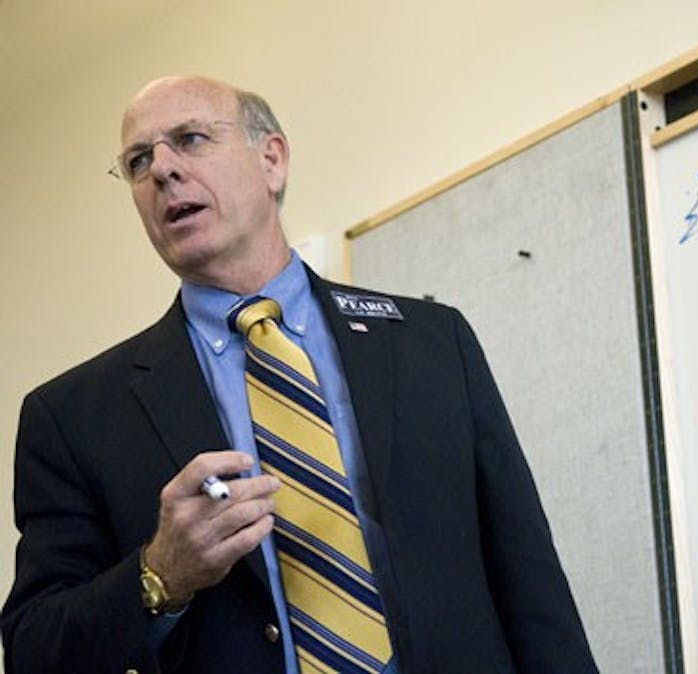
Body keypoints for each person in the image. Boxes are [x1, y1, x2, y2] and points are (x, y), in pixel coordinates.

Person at [1, 75, 597, 674]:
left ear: (272, 160)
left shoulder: (432, 344)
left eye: (190, 138)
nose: (162, 170)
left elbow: (530, 582)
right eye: (137, 160)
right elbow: (32, 650)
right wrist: (159, 575)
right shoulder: (74, 416)